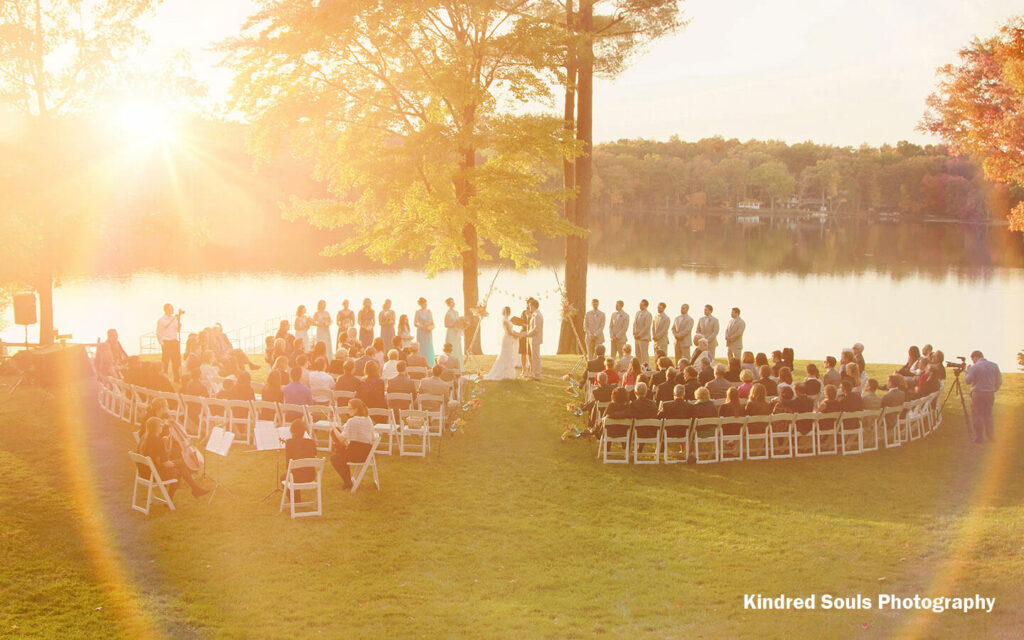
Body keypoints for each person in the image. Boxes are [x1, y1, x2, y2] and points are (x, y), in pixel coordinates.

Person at [138, 417, 210, 498]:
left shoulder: (144, 438)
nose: (162, 427)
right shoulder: (158, 441)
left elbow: (159, 458)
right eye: (161, 426)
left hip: (144, 473)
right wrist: (177, 463)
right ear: (156, 428)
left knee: (180, 465)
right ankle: (173, 497)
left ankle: (195, 489)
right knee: (180, 468)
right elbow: (166, 463)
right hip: (154, 475)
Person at [330, 399, 375, 490]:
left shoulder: (353, 421)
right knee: (340, 451)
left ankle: (348, 482)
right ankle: (348, 481)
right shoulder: (367, 419)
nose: (348, 410)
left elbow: (341, 438)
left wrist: (332, 426)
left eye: (350, 408)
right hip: (367, 451)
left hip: (358, 453)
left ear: (356, 409)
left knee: (335, 457)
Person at [964, 350, 1001, 443]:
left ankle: (979, 437)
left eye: (972, 359)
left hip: (978, 393)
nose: (973, 361)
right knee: (988, 414)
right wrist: (994, 389)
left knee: (977, 414)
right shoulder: (994, 365)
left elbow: (968, 381)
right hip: (990, 393)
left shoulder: (974, 367)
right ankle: (990, 435)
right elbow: (999, 381)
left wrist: (967, 371)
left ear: (975, 357)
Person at [281, 418, 317, 501]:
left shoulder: (290, 442)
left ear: (292, 431)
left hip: (295, 477)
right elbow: (314, 456)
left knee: (284, 477)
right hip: (310, 475)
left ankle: (295, 499)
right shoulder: (311, 442)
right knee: (293, 474)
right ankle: (296, 498)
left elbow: (288, 465)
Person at [157, 303, 183, 383]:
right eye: (170, 308)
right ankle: (164, 378)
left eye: (172, 308)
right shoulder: (161, 320)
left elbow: (177, 330)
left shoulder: (174, 319)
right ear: (166, 309)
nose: (172, 310)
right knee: (165, 361)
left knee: (176, 360)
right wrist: (161, 343)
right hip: (166, 342)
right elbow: (159, 331)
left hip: (174, 341)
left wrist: (179, 321)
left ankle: (176, 378)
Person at [525, 298, 544, 380]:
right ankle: (535, 374)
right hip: (533, 339)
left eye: (530, 306)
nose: (529, 307)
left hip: (535, 339)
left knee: (536, 358)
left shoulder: (537, 315)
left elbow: (536, 329)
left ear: (533, 306)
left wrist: (527, 334)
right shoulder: (535, 314)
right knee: (534, 357)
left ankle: (537, 375)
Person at [414, 297, 435, 366]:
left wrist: (430, 327)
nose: (425, 305)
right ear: (420, 304)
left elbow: (432, 322)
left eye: (426, 304)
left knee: (429, 347)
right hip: (421, 332)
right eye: (423, 304)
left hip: (428, 332)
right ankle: (421, 364)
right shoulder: (418, 312)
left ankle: (430, 364)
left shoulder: (429, 311)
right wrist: (423, 327)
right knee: (422, 347)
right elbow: (415, 323)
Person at [632, 300, 653, 369]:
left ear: (646, 306)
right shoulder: (637, 313)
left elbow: (647, 326)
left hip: (643, 337)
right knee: (637, 354)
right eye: (640, 304)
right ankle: (639, 368)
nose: (640, 306)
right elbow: (634, 324)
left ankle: (647, 368)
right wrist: (634, 333)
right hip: (637, 337)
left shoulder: (648, 314)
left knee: (644, 354)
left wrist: (640, 334)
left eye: (642, 305)